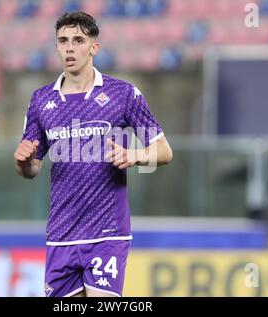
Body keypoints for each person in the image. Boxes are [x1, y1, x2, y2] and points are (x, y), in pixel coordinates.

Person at [14, 11, 173, 297]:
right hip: (61, 234)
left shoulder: (123, 94)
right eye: (63, 41)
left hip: (107, 233)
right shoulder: (41, 100)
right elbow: (32, 169)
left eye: (78, 40)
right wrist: (23, 161)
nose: (70, 48)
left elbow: (164, 151)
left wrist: (134, 156)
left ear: (94, 47)